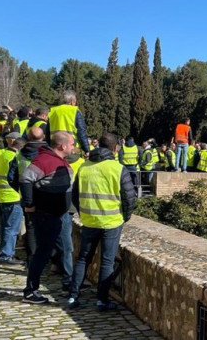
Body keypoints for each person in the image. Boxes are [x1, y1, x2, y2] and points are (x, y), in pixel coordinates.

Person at [68, 133, 136, 311]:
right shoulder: (118, 168)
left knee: (83, 258)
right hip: (112, 221)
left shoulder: (84, 167)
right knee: (107, 261)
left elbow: (75, 195)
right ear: (115, 149)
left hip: (89, 220)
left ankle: (73, 297)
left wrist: (83, 212)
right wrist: (125, 216)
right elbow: (130, 197)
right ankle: (102, 300)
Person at [21, 131, 75, 304]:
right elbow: (25, 179)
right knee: (43, 253)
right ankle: (30, 290)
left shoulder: (59, 160)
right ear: (62, 146)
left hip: (61, 214)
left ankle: (68, 283)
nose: (74, 147)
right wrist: (29, 203)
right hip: (46, 215)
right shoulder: (44, 160)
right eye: (72, 144)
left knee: (66, 248)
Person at [10, 127, 46, 266]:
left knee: (30, 227)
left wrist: (20, 190)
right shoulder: (48, 153)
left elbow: (11, 177)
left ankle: (32, 259)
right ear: (43, 137)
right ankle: (47, 258)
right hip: (45, 195)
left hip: (27, 196)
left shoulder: (19, 154)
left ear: (28, 138)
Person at [0, 133, 26, 264]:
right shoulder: (15, 157)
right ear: (20, 148)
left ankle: (5, 252)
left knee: (5, 227)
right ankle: (6, 255)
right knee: (12, 228)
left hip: (2, 195)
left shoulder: (3, 155)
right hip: (13, 195)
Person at [47, 90, 90, 156]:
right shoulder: (75, 111)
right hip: (72, 148)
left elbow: (47, 132)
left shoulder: (52, 111)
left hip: (55, 148)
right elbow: (81, 132)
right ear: (72, 101)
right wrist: (87, 150)